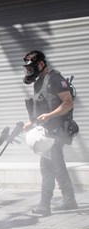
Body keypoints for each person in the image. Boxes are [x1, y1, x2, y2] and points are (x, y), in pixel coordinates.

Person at [22, 50, 77, 216]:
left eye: (32, 68)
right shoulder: (39, 82)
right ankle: (70, 200)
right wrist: (31, 123)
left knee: (47, 167)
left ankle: (44, 206)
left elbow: (68, 103)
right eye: (28, 69)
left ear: (41, 64)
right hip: (47, 131)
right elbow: (42, 107)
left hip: (58, 130)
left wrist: (49, 116)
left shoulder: (55, 80)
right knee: (58, 165)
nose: (30, 72)